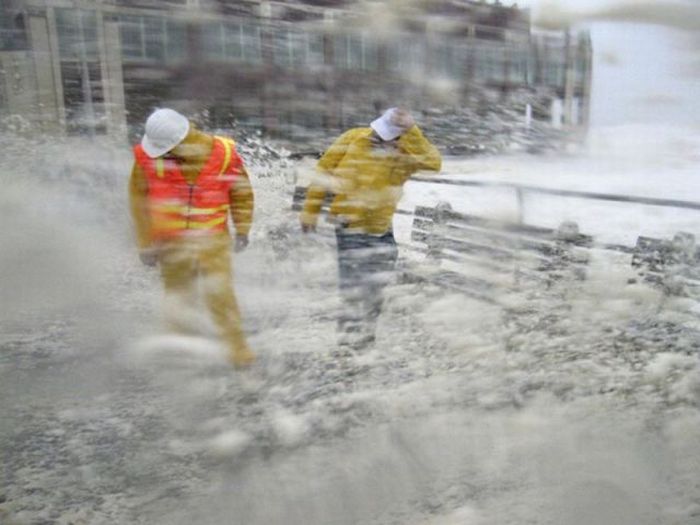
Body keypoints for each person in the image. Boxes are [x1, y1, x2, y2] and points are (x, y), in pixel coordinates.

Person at [300, 107, 441, 350]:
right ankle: (349, 347)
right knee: (354, 290)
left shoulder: (407, 152)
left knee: (375, 291)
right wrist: (310, 211)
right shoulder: (354, 137)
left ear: (399, 136)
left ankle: (363, 343)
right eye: (377, 131)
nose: (377, 137)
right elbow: (323, 171)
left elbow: (434, 163)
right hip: (349, 227)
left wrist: (412, 130)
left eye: (385, 135)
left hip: (382, 230)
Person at [129, 108, 255, 368]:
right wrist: (145, 243)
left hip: (213, 241)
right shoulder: (145, 157)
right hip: (170, 243)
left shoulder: (225, 154)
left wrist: (242, 228)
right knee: (177, 296)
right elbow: (139, 202)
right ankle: (181, 352)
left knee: (220, 296)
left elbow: (241, 193)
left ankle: (238, 353)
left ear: (178, 143)